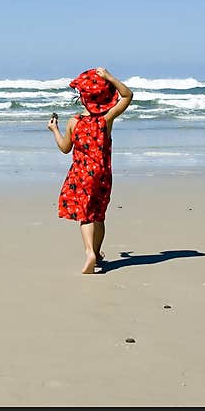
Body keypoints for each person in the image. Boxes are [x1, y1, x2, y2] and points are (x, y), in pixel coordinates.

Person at [47, 67, 133, 274]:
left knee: (85, 216)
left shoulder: (74, 122)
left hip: (81, 175)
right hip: (102, 175)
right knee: (99, 215)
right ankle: (97, 251)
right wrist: (109, 77)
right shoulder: (105, 120)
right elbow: (127, 95)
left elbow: (65, 148)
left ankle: (90, 253)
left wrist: (54, 130)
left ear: (82, 98)